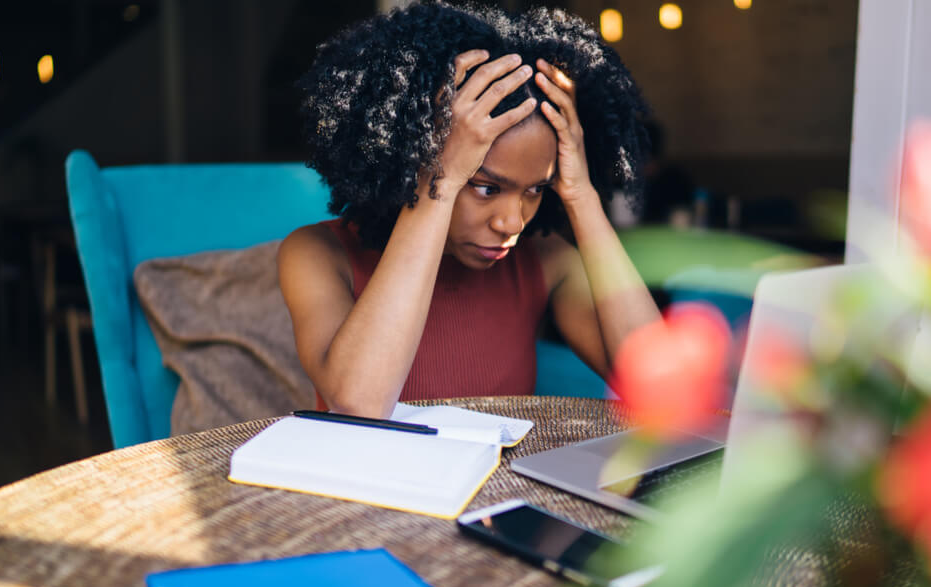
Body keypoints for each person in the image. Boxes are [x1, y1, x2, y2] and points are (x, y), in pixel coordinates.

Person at [278, 1, 661, 418]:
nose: (511, 222)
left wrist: (580, 194)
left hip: (507, 486)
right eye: (485, 187)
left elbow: (659, 391)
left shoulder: (546, 261)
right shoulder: (317, 254)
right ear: (414, 160)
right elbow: (359, 403)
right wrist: (439, 184)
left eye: (536, 189)